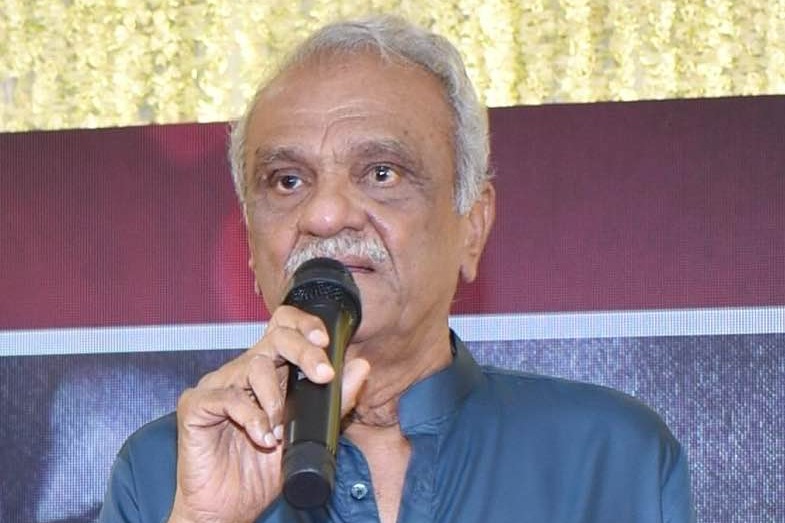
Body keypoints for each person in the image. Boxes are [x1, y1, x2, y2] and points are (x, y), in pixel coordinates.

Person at [99, 15, 695, 523]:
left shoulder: (613, 458)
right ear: (252, 249)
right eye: (287, 181)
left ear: (472, 226)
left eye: (382, 173)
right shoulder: (166, 470)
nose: (325, 215)